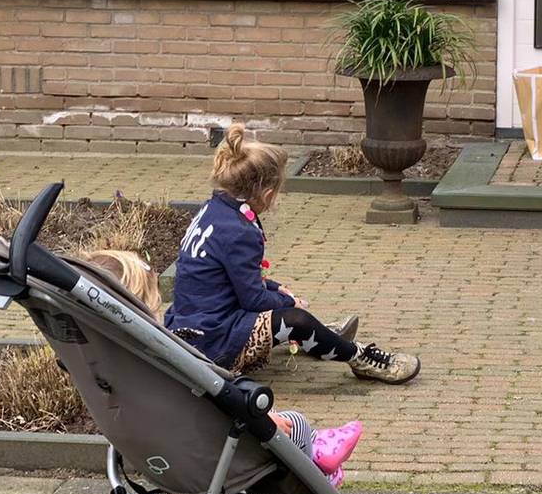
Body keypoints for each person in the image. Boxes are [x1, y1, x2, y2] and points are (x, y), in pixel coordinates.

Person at [164, 123, 421, 384]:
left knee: (284, 303)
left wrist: (277, 289)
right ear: (266, 193)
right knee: (296, 319)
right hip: (213, 344)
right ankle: (360, 357)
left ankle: (320, 336)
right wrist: (288, 303)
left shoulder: (213, 209)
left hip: (191, 326)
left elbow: (229, 277)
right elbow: (252, 300)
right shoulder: (240, 231)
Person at [84, 250, 363, 488]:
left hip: (151, 450)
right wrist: (262, 415)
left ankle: (319, 450)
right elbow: (208, 394)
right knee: (292, 423)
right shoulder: (160, 354)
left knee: (272, 417)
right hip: (205, 453)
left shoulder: (103, 357)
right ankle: (316, 478)